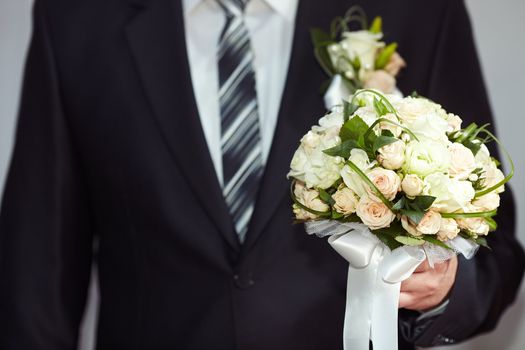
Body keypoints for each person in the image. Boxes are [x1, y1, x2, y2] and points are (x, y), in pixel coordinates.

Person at [0, 0, 523, 349]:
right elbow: (35, 272)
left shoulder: (417, 12)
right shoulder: (77, 19)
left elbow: (493, 245)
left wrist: (444, 289)